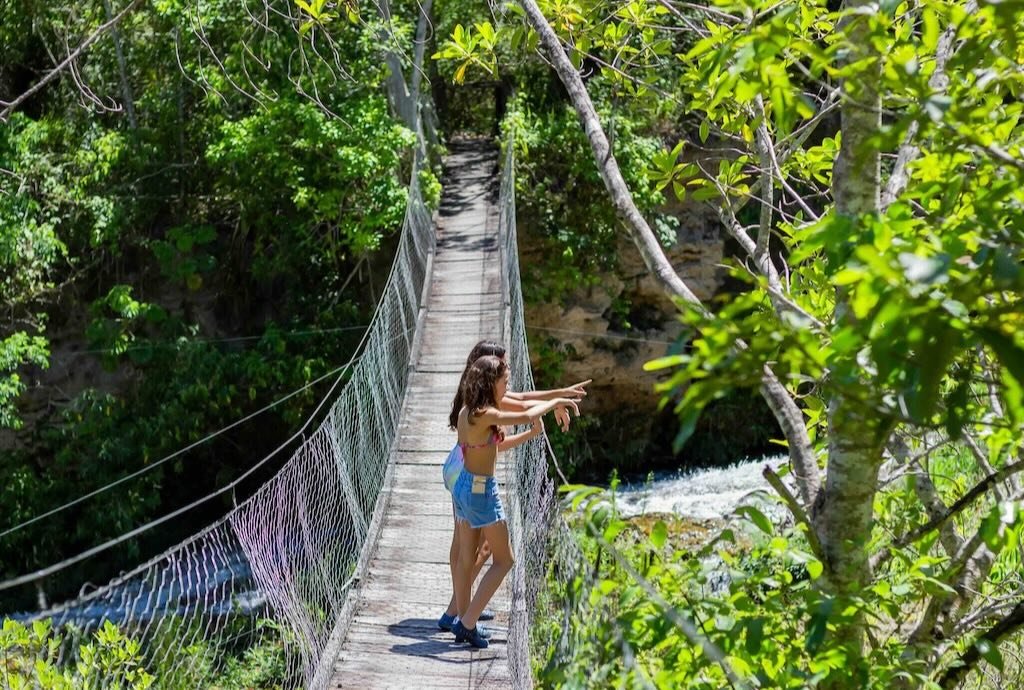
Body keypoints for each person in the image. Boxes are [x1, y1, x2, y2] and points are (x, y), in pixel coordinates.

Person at [437, 341, 589, 636]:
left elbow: (519, 405)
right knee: (488, 554)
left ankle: (462, 613)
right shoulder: (488, 412)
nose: (509, 384)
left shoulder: (470, 408)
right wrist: (559, 401)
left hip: (461, 475)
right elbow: (522, 409)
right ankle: (463, 617)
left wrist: (559, 396)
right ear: (489, 377)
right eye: (505, 378)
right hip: (474, 481)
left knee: (469, 549)